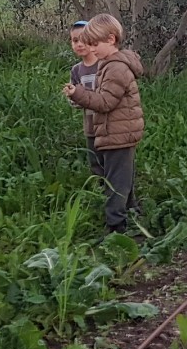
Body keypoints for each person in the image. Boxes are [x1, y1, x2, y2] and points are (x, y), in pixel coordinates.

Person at [62, 14, 144, 234]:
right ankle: (131, 211)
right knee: (120, 176)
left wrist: (78, 93)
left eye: (94, 44)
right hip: (116, 132)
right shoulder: (109, 65)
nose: (91, 49)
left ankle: (116, 226)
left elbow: (106, 102)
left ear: (110, 39)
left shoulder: (116, 68)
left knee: (116, 182)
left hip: (119, 133)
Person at [68, 19, 105, 180]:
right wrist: (73, 97)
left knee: (111, 160)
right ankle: (100, 192)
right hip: (90, 125)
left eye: (83, 39)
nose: (79, 44)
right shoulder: (76, 70)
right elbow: (74, 96)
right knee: (95, 161)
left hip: (107, 124)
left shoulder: (104, 64)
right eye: (75, 40)